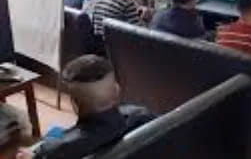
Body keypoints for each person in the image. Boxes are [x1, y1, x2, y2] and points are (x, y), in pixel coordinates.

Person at [18, 55, 155, 159]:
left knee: (52, 134)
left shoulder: (56, 149)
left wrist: (32, 155)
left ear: (74, 104)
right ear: (117, 89)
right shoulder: (143, 116)